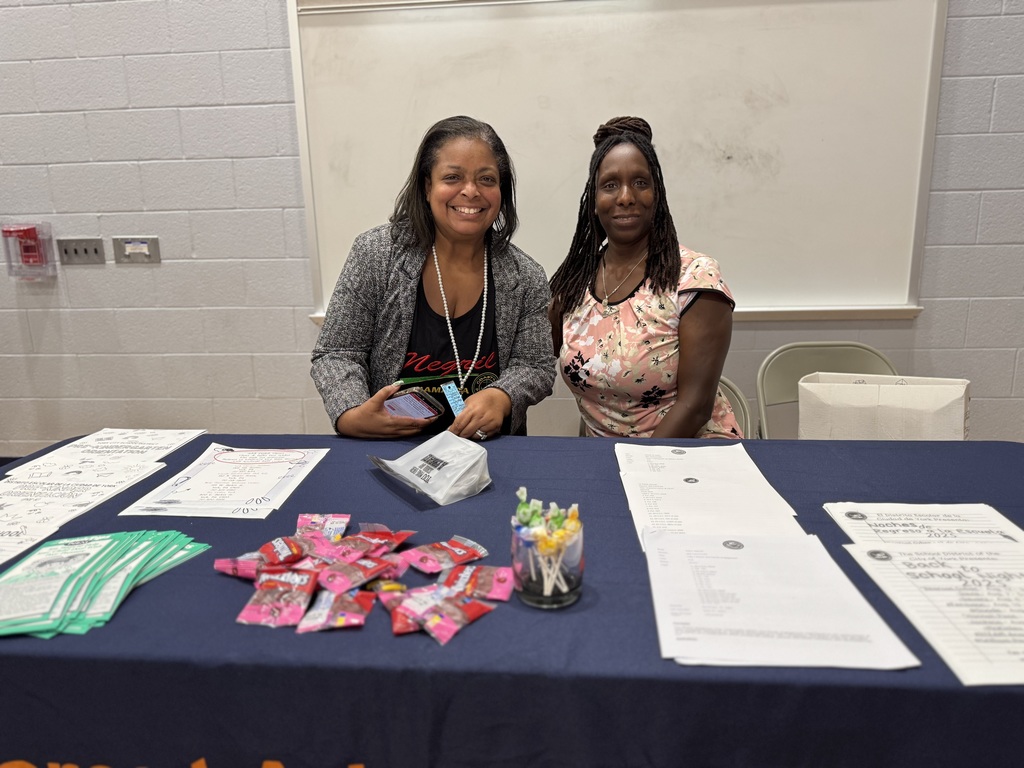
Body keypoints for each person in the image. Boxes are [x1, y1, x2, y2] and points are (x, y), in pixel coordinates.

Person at [311, 115, 555, 440]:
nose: (471, 191)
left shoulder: (525, 275)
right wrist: (353, 414)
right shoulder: (375, 254)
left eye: (486, 179)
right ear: (428, 186)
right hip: (392, 447)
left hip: (489, 454)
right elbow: (337, 353)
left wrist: (503, 395)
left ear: (501, 190)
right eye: (453, 177)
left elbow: (535, 365)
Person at [548, 116, 741, 439]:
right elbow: (531, 364)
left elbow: (695, 406)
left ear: (658, 195)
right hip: (606, 460)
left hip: (689, 453)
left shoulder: (695, 278)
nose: (625, 196)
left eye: (640, 182)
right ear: (594, 201)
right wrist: (459, 397)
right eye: (610, 185)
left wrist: (635, 468)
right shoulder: (573, 283)